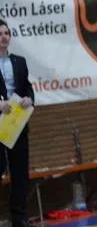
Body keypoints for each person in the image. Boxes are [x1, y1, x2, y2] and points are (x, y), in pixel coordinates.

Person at [0, 19, 34, 227]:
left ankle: (19, 217)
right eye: (0, 33)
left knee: (20, 172)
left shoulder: (19, 61)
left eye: (6, 33)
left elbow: (27, 87)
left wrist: (29, 99)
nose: (4, 36)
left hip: (17, 123)